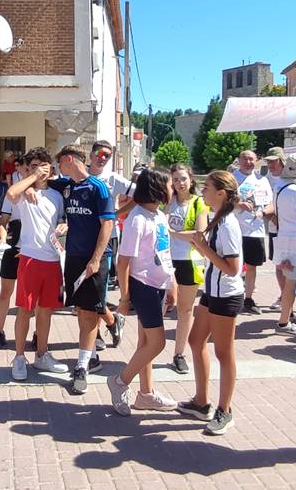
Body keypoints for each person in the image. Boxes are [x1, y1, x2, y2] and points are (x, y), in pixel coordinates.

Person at [176, 170, 244, 434]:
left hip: (226, 294)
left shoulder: (228, 224)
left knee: (224, 353)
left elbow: (233, 268)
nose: (202, 192)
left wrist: (203, 249)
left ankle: (225, 409)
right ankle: (201, 401)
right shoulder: (218, 219)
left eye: (207, 188)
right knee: (195, 341)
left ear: (221, 194)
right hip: (212, 291)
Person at [108, 168, 178, 416]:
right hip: (143, 286)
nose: (173, 189)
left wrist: (172, 284)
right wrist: (125, 297)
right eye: (169, 185)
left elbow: (164, 253)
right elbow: (123, 262)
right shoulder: (137, 219)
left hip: (159, 284)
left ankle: (146, 394)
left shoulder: (158, 215)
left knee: (146, 342)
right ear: (157, 187)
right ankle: (120, 381)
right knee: (157, 343)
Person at [56, 145, 115, 394]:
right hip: (73, 257)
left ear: (69, 159)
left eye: (60, 163)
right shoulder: (66, 186)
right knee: (80, 309)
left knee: (90, 312)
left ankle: (82, 367)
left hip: (94, 258)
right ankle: (97, 345)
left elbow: (107, 225)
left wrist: (96, 259)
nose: (58, 168)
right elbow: (37, 182)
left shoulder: (98, 187)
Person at [5, 148, 69, 380]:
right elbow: (11, 194)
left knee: (45, 311)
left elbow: (62, 220)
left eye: (42, 166)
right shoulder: (24, 192)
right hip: (30, 258)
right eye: (32, 166)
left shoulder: (56, 196)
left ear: (50, 168)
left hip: (52, 259)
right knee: (25, 309)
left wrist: (64, 226)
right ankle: (19, 356)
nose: (38, 170)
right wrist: (31, 178)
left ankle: (42, 354)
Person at [165, 163, 208, 374]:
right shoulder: (167, 201)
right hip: (165, 260)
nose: (180, 183)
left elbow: (199, 235)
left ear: (191, 179)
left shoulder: (199, 203)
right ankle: (148, 350)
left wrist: (172, 231)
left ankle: (179, 353)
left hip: (189, 260)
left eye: (183, 179)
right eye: (176, 179)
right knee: (162, 305)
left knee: (185, 308)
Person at [87, 139, 130, 350]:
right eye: (100, 153)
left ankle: (96, 337)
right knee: (82, 291)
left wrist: (117, 214)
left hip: (107, 238)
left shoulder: (113, 178)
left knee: (98, 291)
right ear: (91, 154)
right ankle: (112, 321)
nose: (102, 158)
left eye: (107, 155)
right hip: (82, 238)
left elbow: (140, 193)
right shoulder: (80, 175)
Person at [270, 154, 296, 336]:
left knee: (289, 283)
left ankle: (287, 317)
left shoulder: (280, 188)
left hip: (284, 236)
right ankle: (284, 321)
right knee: (294, 284)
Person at [232, 150, 274, 315]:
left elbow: (270, 204)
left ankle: (248, 299)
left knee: (251, 267)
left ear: (257, 161)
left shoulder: (262, 180)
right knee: (232, 266)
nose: (248, 162)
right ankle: (232, 297)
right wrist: (238, 204)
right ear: (239, 160)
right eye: (245, 159)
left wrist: (263, 213)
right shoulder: (231, 178)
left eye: (251, 159)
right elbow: (220, 200)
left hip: (255, 230)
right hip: (234, 229)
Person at [0, 161, 25, 352]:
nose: (20, 174)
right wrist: (3, 239)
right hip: (13, 245)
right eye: (17, 171)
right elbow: (3, 222)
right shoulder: (11, 196)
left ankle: (36, 334)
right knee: (5, 291)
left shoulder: (46, 194)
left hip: (34, 247)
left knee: (32, 297)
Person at [263, 147, 288, 312]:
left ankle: (292, 298)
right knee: (279, 264)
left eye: (274, 160)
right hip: (274, 228)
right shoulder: (266, 179)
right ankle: (283, 296)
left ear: (282, 161)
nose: (271, 164)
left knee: (294, 266)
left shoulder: (293, 178)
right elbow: (265, 201)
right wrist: (272, 217)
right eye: (268, 161)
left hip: (293, 230)